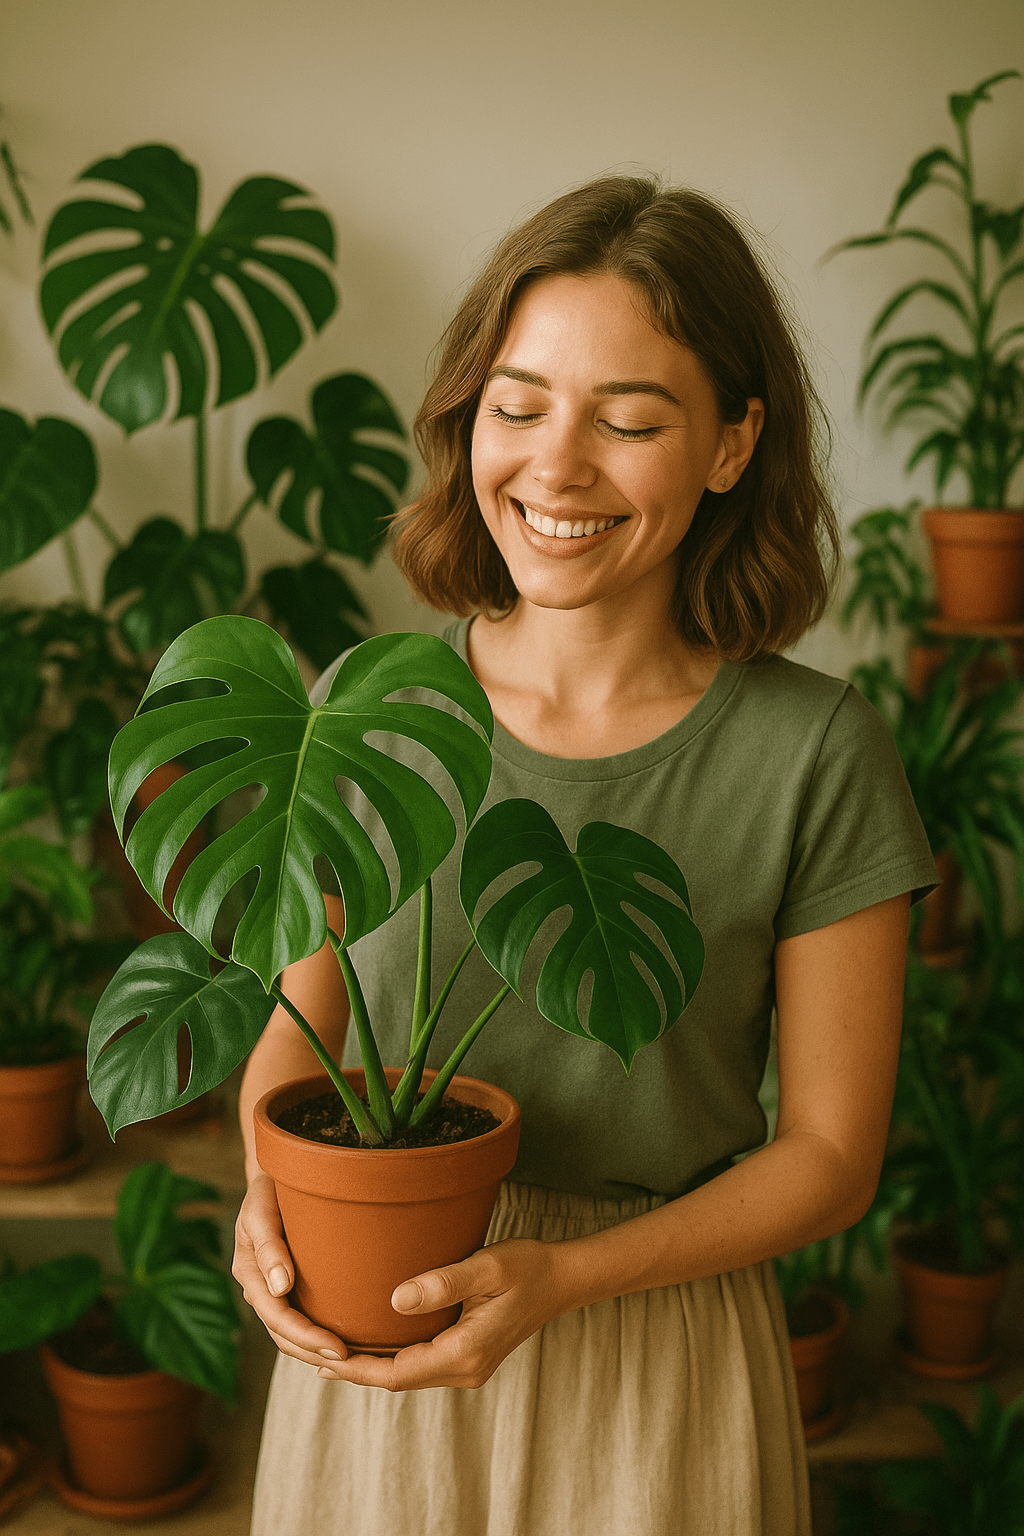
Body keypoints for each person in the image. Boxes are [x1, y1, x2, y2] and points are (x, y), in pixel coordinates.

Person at [236, 175, 936, 1536]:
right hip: (381, 1335)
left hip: (656, 1358)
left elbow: (835, 1153)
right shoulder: (366, 711)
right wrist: (270, 1204)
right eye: (518, 406)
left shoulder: (815, 751)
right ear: (468, 418)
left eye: (628, 421)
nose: (556, 467)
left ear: (734, 444)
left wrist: (568, 1278)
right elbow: (297, 1029)